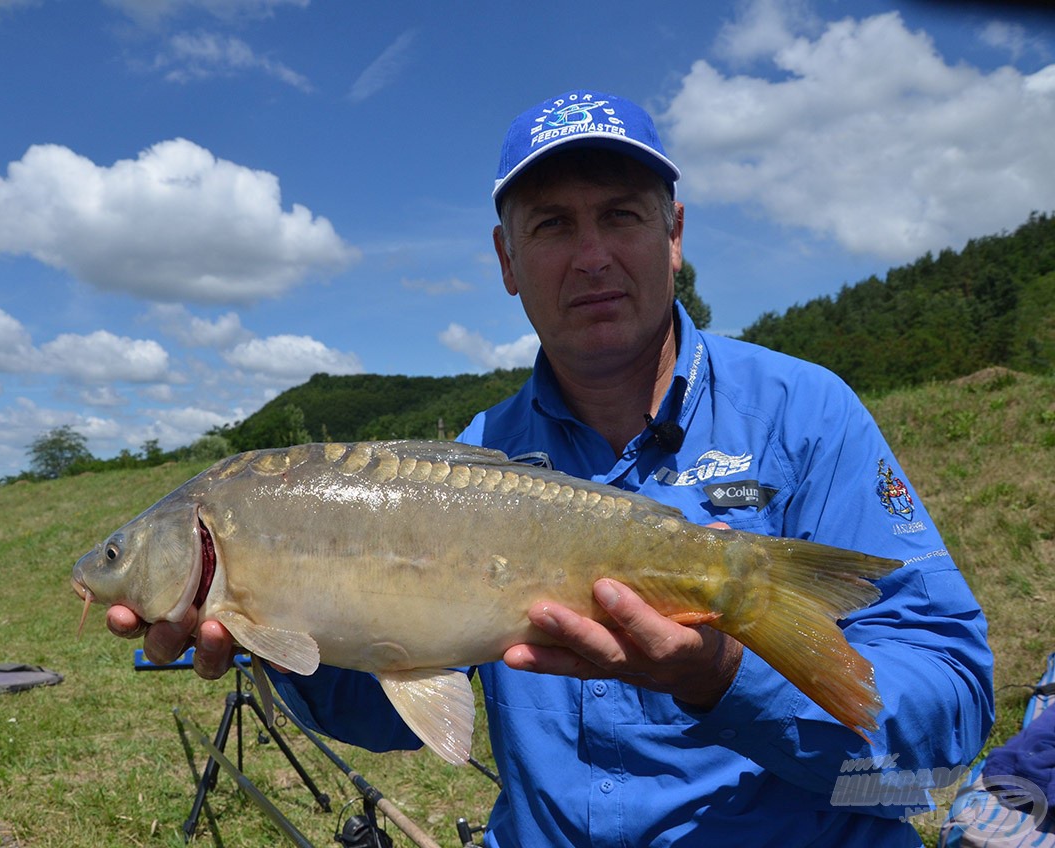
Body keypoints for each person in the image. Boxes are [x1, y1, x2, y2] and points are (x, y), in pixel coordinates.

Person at [108, 90, 994, 846]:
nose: (593, 254)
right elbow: (393, 706)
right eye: (552, 225)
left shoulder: (809, 417)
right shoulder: (473, 453)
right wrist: (276, 642)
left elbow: (943, 745)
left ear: (673, 234)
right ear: (507, 260)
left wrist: (725, 679)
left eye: (621, 214)